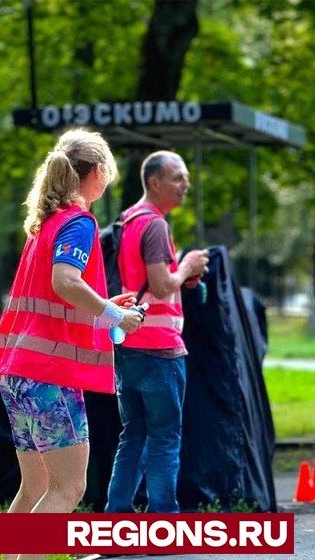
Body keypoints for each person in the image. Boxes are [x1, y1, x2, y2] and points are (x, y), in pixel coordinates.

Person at [0, 129, 144, 560]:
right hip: (49, 377)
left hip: (19, 373)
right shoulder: (78, 224)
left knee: (34, 486)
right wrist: (116, 319)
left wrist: (101, 310)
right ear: (94, 176)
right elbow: (66, 284)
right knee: (68, 488)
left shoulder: (45, 226)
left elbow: (57, 298)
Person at [105, 151, 209, 514]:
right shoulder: (156, 225)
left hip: (128, 345)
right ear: (154, 182)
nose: (185, 185)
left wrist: (177, 273)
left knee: (132, 436)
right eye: (178, 178)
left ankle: (116, 519)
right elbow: (163, 285)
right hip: (160, 350)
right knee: (165, 437)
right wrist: (188, 266)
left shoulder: (126, 220)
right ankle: (163, 522)